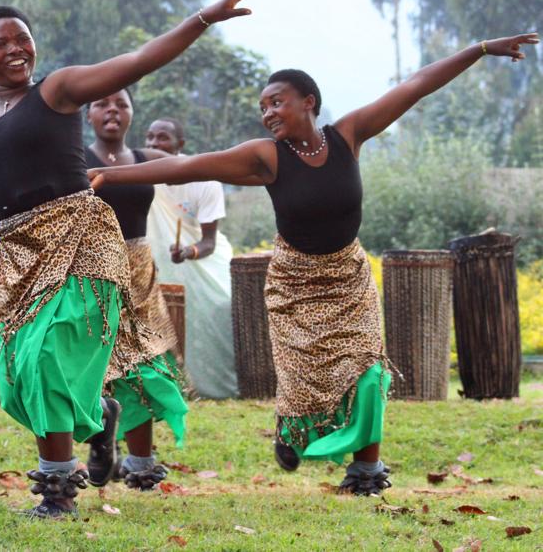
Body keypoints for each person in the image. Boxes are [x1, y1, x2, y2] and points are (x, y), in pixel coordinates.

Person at [0, 0, 264, 517]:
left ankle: (58, 493)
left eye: (23, 38)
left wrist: (204, 17)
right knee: (19, 376)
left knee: (47, 358)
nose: (16, 48)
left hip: (79, 239)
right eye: (1, 42)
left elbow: (139, 60)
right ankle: (98, 412)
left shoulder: (58, 90)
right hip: (19, 252)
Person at [88, 31, 539, 496]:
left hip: (348, 276)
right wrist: (109, 175)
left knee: (368, 371)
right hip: (294, 282)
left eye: (277, 102)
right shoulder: (265, 157)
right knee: (303, 380)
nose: (267, 113)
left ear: (309, 101)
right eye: (262, 107)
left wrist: (480, 49)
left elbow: (417, 85)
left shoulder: (349, 135)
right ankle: (291, 422)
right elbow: (189, 166)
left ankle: (366, 470)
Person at [84, 89, 188, 491]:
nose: (112, 109)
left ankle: (141, 464)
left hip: (139, 271)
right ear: (88, 114)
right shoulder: (75, 159)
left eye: (121, 104)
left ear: (132, 114)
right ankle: (100, 445)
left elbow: (195, 166)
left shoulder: (149, 160)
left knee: (142, 364)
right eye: (102, 103)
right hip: (91, 271)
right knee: (97, 364)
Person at [144, 117, 236, 399]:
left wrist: (187, 252)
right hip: (158, 260)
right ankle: (170, 388)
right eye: (149, 137)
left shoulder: (203, 179)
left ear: (179, 145)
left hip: (202, 261)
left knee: (215, 314)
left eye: (162, 138)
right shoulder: (143, 176)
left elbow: (207, 241)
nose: (154, 144)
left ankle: (212, 386)